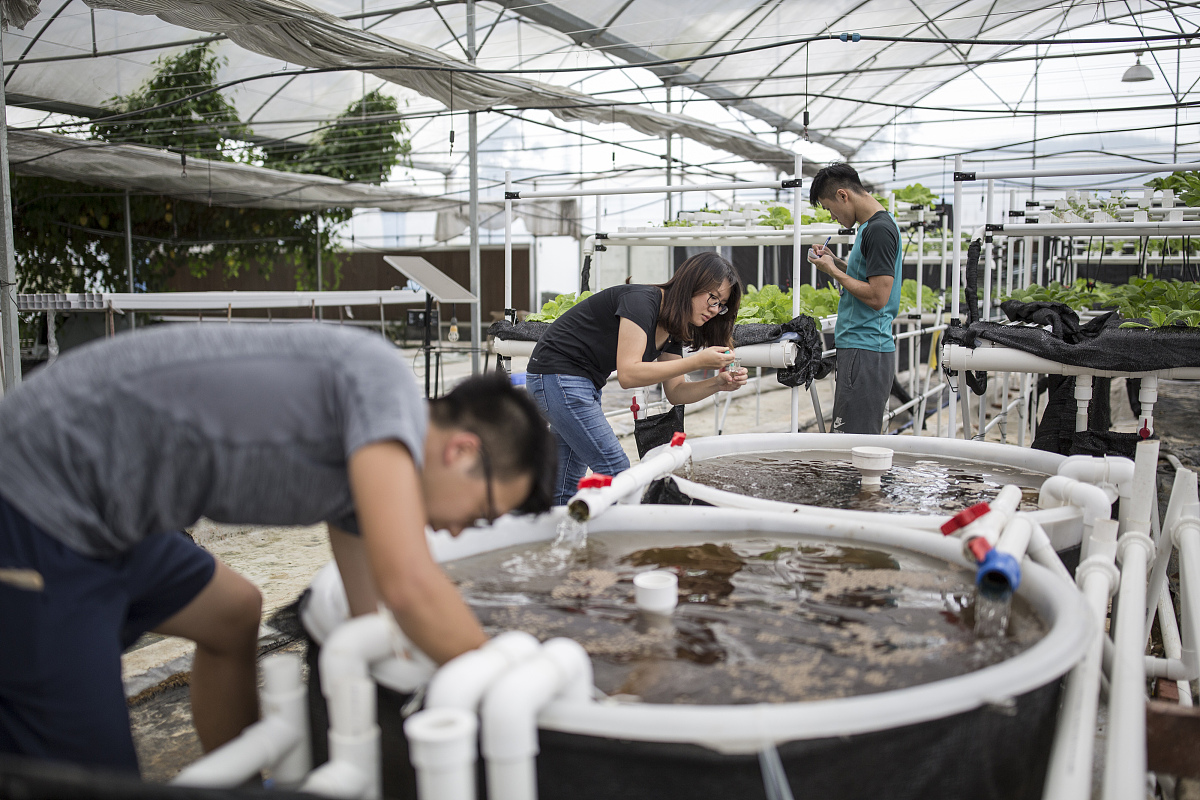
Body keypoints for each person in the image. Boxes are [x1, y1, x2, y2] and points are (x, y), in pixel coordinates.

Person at [0, 323, 555, 774]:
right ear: (461, 451)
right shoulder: (383, 390)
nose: (459, 532)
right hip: (36, 503)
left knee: (232, 611)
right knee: (93, 776)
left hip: (112, 518)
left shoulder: (369, 460)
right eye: (479, 514)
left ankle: (238, 781)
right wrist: (507, 680)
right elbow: (409, 586)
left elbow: (376, 615)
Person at [525, 251, 748, 505]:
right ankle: (624, 541)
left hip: (577, 383)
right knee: (615, 468)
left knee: (565, 485)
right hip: (557, 377)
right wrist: (697, 361)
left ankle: (562, 539)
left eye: (721, 304)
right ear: (691, 283)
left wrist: (717, 383)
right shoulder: (643, 301)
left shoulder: (674, 326)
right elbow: (628, 374)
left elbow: (676, 392)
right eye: (712, 298)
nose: (714, 309)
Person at [806, 162, 903, 435]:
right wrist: (834, 261)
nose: (833, 216)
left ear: (843, 195)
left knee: (851, 445)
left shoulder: (878, 230)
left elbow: (877, 297)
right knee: (854, 441)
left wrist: (833, 271)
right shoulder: (872, 226)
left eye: (829, 208)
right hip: (863, 347)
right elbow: (868, 277)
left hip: (866, 347)